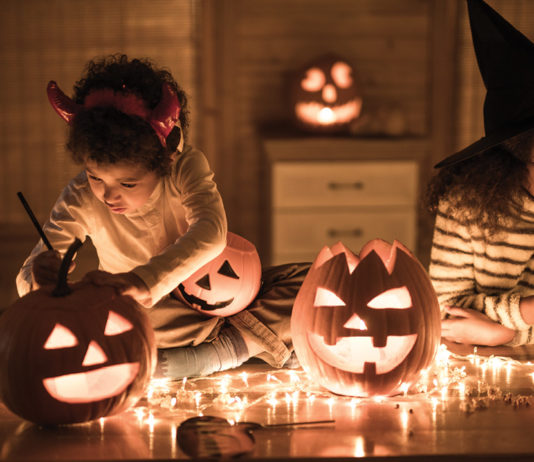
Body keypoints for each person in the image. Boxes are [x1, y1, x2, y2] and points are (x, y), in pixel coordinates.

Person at [16, 54, 304, 378]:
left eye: (127, 183)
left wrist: (144, 279)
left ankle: (217, 351)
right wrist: (40, 279)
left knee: (310, 284)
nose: (109, 194)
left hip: (217, 297)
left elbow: (211, 231)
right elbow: (37, 263)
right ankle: (230, 350)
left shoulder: (184, 168)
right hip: (150, 317)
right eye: (96, 177)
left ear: (166, 158)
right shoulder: (81, 196)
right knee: (117, 324)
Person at [427, 0, 534, 347]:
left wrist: (504, 329)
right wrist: (511, 328)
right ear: (521, 146)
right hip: (486, 371)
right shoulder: (466, 204)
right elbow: (444, 310)